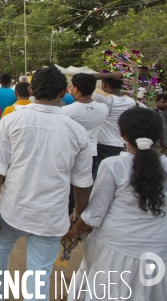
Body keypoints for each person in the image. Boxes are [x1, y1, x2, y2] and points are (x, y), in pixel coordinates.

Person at [0, 66, 93, 299]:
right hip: (50, 216)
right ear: (63, 92)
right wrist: (78, 215)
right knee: (39, 276)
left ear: (31, 89)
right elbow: (81, 183)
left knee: (0, 250)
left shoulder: (11, 121)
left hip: (12, 208)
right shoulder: (78, 132)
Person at [64, 108, 167, 300]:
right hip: (159, 249)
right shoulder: (164, 164)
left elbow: (95, 213)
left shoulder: (113, 165)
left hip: (116, 249)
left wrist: (72, 230)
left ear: (122, 134)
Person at [92, 71, 135, 180]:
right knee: (116, 177)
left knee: (99, 178)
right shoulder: (131, 102)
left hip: (103, 145)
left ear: (104, 85)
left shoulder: (105, 98)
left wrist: (110, 75)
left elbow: (86, 78)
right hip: (121, 144)